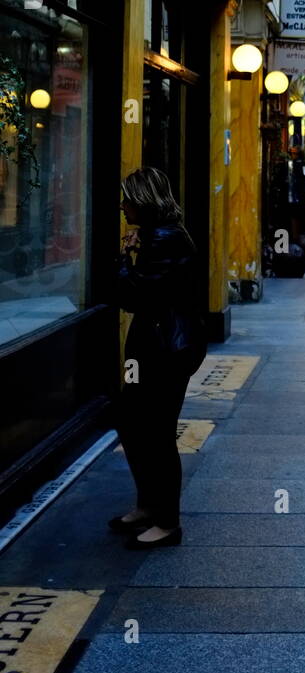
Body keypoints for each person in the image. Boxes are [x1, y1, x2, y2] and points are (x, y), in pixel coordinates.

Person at [111, 168, 207, 549]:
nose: (122, 206)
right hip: (153, 346)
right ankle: (149, 505)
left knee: (157, 432)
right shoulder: (158, 235)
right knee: (133, 423)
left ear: (145, 201)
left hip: (167, 350)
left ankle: (167, 523)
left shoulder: (166, 240)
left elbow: (134, 296)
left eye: (128, 199)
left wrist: (124, 258)